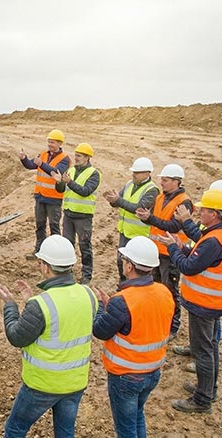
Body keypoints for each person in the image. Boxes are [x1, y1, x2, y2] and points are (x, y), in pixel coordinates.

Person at [0, 235, 97, 437]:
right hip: (75, 382)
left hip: (42, 384)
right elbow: (64, 320)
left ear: (45, 266)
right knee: (65, 431)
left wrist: (10, 305)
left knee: (15, 429)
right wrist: (30, 303)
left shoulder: (41, 304)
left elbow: (16, 337)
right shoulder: (89, 295)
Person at [92, 236, 173, 437]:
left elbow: (100, 330)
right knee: (137, 416)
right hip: (153, 371)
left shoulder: (122, 301)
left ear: (129, 266)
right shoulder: (164, 292)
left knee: (126, 429)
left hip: (126, 375)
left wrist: (102, 307)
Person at [154, 189, 222, 413]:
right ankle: (208, 389)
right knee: (210, 346)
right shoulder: (214, 234)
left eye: (204, 209)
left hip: (205, 304)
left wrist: (172, 247)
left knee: (203, 350)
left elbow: (189, 266)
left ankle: (202, 400)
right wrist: (182, 244)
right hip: (210, 303)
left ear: (215, 214)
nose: (200, 212)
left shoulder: (214, 241)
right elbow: (198, 249)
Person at [135, 164, 193, 341]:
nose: (161, 182)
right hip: (156, 252)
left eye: (165, 180)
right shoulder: (161, 197)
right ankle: (158, 318)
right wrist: (146, 218)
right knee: (155, 288)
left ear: (176, 181)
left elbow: (175, 226)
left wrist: (150, 218)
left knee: (170, 290)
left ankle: (172, 327)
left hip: (172, 254)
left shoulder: (184, 202)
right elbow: (156, 223)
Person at [102, 157, 160, 282]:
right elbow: (120, 201)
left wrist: (118, 200)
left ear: (147, 173)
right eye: (133, 172)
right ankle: (123, 284)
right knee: (121, 262)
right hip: (125, 232)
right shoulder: (129, 184)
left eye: (137, 172)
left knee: (136, 266)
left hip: (140, 235)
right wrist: (113, 200)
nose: (133, 174)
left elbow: (138, 208)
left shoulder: (152, 190)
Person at [52, 142, 101, 284]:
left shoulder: (94, 174)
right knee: (67, 245)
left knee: (84, 245)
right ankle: (67, 271)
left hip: (83, 217)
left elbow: (85, 191)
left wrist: (69, 182)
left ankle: (87, 275)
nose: (76, 158)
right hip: (68, 214)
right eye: (76, 155)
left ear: (87, 158)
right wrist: (59, 182)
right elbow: (61, 189)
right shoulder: (71, 170)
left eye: (79, 156)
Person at [19, 129, 71, 258]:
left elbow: (56, 172)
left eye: (52, 142)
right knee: (40, 225)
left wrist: (41, 164)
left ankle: (56, 255)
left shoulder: (65, 159)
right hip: (40, 196)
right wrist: (24, 159)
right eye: (49, 142)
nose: (49, 144)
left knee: (54, 227)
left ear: (59, 143)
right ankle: (39, 251)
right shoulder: (43, 154)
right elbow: (32, 165)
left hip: (53, 198)